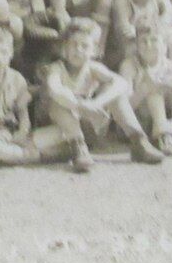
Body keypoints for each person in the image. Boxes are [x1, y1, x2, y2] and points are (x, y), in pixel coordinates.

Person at [37, 19, 164, 171]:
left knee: (115, 93)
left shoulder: (93, 68)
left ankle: (139, 141)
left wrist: (97, 103)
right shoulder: (56, 69)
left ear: (95, 50)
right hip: (58, 130)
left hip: (87, 129)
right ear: (64, 47)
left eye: (85, 46)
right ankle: (78, 148)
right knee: (58, 102)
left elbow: (121, 83)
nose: (78, 50)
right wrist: (81, 106)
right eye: (73, 45)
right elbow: (55, 89)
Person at [0, 24, 67, 166]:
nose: (0, 59)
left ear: (11, 53)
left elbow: (23, 113)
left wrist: (23, 130)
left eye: (4, 53)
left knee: (59, 132)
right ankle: (27, 156)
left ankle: (4, 156)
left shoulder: (17, 78)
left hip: (13, 134)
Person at [120, 15, 172, 156]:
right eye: (143, 41)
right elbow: (125, 106)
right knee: (153, 90)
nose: (149, 45)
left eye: (154, 40)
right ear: (136, 45)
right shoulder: (130, 66)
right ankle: (164, 136)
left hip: (170, 118)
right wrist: (144, 89)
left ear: (164, 44)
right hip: (142, 119)